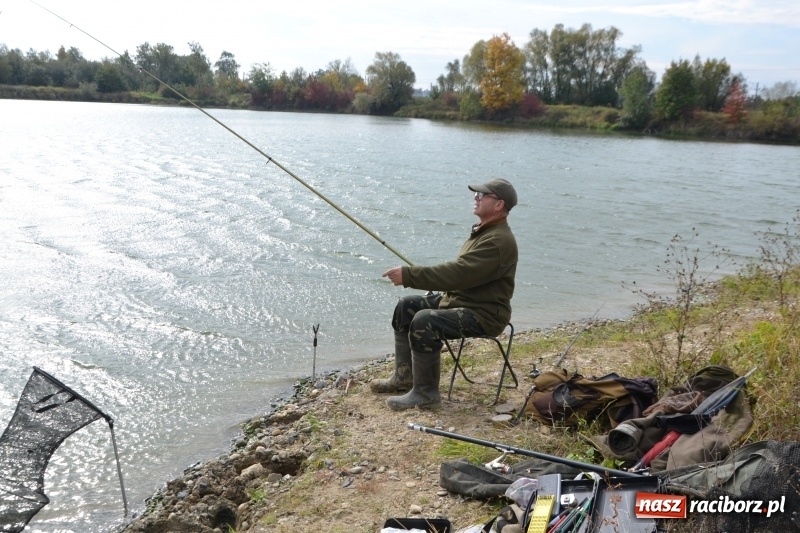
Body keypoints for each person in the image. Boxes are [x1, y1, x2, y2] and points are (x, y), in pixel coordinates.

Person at [373, 178, 519, 410]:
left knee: (424, 320)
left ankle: (426, 394)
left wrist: (409, 275)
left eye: (482, 195)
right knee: (406, 307)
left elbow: (458, 274)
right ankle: (404, 377)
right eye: (476, 194)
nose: (476, 197)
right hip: (463, 301)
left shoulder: (498, 241)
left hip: (484, 314)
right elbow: (463, 275)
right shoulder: (485, 232)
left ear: (499, 204)